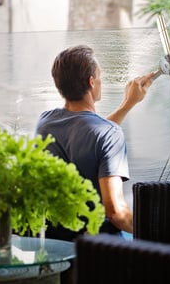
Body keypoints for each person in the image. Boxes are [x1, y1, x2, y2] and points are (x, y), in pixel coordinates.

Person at [35, 45, 156, 241]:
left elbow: (87, 133)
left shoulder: (45, 123)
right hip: (100, 251)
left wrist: (127, 104)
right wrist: (159, 229)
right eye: (100, 76)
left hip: (58, 246)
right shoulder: (108, 134)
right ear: (92, 82)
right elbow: (116, 213)